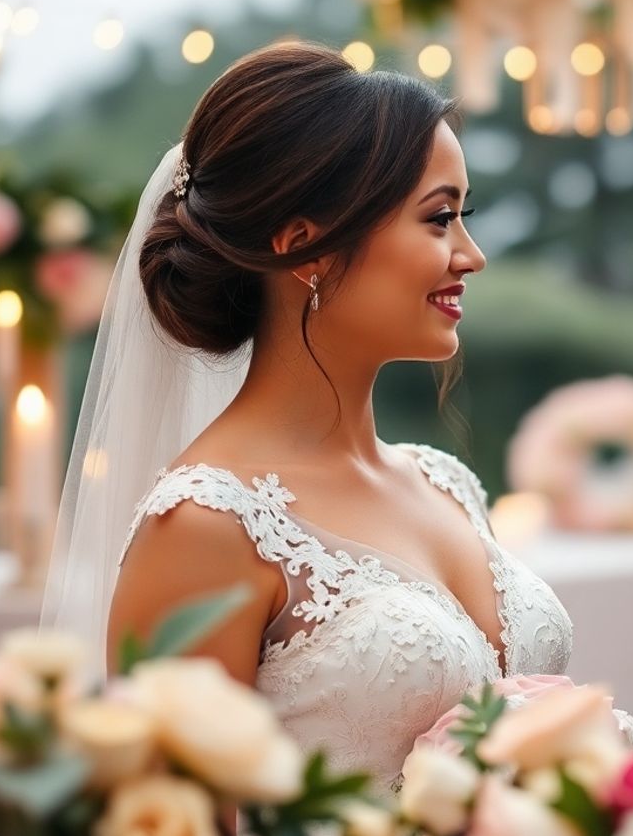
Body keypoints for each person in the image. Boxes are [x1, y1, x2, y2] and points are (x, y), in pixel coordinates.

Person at [42, 42, 572, 792]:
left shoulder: (446, 482)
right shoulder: (203, 526)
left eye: (465, 216)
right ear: (306, 249)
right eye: (439, 218)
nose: (471, 255)